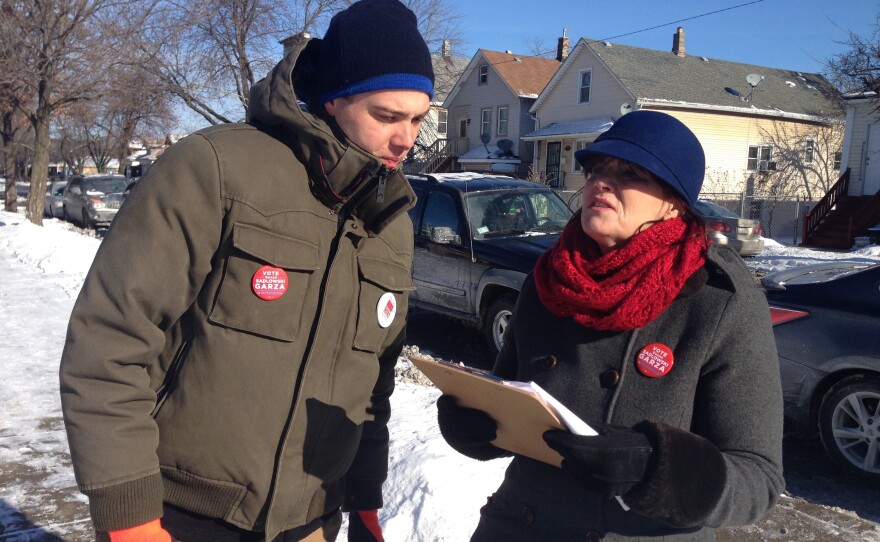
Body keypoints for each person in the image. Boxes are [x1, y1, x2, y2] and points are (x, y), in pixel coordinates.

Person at [59, 1, 433, 541]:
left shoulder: (390, 221)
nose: (407, 139)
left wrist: (365, 498)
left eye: (418, 119)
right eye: (387, 116)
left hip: (313, 523)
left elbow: (371, 386)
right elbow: (109, 341)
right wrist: (129, 515)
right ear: (334, 100)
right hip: (180, 515)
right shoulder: (216, 168)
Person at [436, 110, 784, 541]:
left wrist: (658, 468)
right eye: (597, 168)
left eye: (629, 173)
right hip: (520, 525)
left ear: (675, 202)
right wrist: (475, 425)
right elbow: (510, 393)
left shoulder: (718, 301)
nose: (601, 181)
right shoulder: (549, 277)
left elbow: (759, 478)